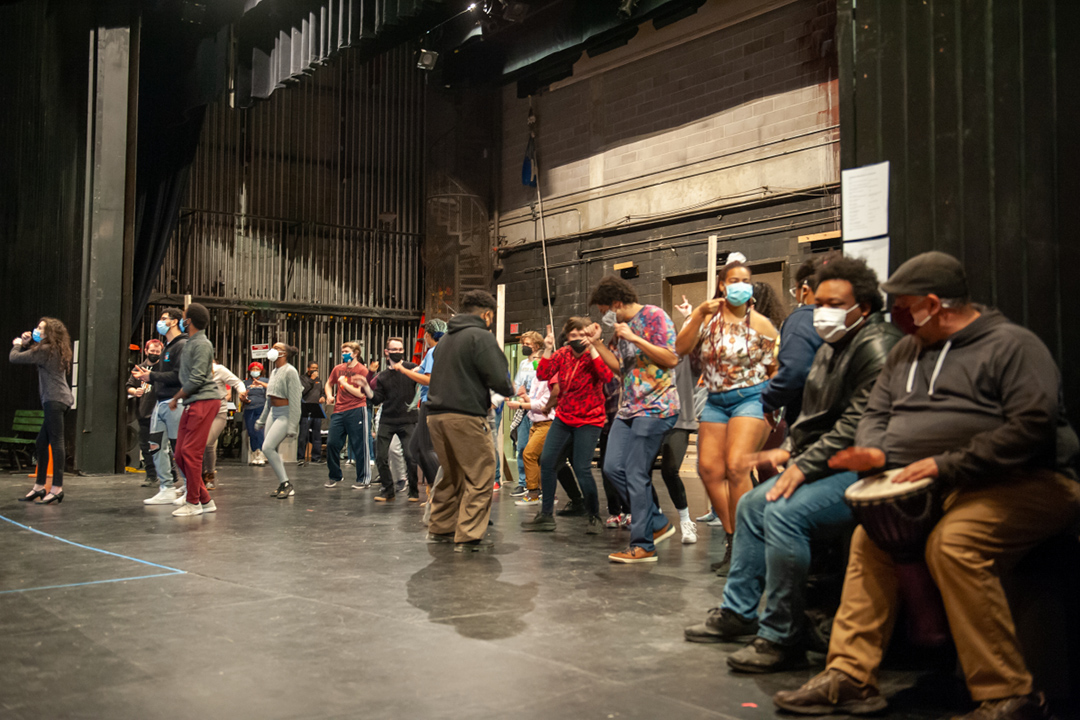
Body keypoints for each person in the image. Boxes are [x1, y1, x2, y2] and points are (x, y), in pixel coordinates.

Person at [773, 251, 1080, 720]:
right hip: (935, 484)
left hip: (1026, 481)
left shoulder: (1012, 346)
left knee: (954, 543)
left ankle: (1006, 694)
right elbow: (875, 415)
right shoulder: (906, 351)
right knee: (868, 539)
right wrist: (878, 454)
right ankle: (851, 677)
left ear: (934, 304)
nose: (894, 315)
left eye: (903, 305)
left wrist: (944, 464)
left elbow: (1031, 428)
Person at [684, 256, 901, 673]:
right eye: (818, 302)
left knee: (782, 512)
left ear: (866, 307)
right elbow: (819, 418)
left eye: (834, 303)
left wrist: (799, 463)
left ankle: (782, 636)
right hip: (830, 462)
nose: (822, 312)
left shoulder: (877, 346)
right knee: (751, 505)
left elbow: (859, 425)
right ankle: (740, 612)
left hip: (866, 469)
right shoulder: (834, 347)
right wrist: (789, 451)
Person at [675, 259, 779, 574]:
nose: (739, 285)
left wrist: (772, 408)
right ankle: (733, 536)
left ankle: (745, 547)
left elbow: (776, 369)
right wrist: (697, 314)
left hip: (751, 398)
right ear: (722, 285)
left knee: (736, 467)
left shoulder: (761, 324)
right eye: (733, 280)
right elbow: (680, 348)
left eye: (745, 280)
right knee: (708, 469)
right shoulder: (706, 320)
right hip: (716, 401)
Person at [589, 276, 681, 563]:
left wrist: (636, 338)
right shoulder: (618, 331)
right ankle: (657, 522)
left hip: (656, 406)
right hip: (628, 409)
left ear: (617, 304)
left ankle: (643, 545)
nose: (604, 316)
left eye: (605, 309)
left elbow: (671, 358)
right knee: (612, 468)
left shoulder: (654, 316)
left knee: (635, 472)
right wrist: (597, 344)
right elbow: (620, 368)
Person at [425, 290, 516, 551]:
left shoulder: (444, 341)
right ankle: (468, 536)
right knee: (480, 473)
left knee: (451, 475)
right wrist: (509, 389)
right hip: (464, 416)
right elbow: (499, 378)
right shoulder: (481, 336)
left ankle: (440, 528)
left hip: (436, 417)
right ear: (487, 314)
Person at [521, 317, 614, 535]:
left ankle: (593, 515)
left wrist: (592, 348)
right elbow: (543, 374)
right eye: (573, 335)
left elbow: (606, 376)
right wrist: (547, 348)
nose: (577, 339)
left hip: (589, 420)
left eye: (582, 335)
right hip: (564, 417)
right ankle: (545, 516)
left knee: (582, 469)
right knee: (547, 461)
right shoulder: (562, 354)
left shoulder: (595, 356)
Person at [10, 317, 74, 504]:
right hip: (59, 399)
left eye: (41, 328)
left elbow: (15, 358)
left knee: (56, 442)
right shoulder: (53, 349)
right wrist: (28, 343)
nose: (36, 330)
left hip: (54, 400)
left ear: (49, 334)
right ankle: (39, 487)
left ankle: (57, 488)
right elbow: (34, 353)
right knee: (41, 442)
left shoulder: (46, 351)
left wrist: (18, 344)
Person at [760, 256, 828, 428]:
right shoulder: (849, 316)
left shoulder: (801, 319)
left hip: (808, 419)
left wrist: (768, 401)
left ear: (804, 290)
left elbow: (794, 370)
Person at [168, 302, 220, 517]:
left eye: (183, 316)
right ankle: (205, 499)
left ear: (189, 321)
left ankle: (193, 502)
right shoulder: (191, 342)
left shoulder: (202, 344)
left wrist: (177, 396)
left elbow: (198, 377)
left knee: (191, 452)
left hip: (203, 400)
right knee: (180, 454)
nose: (182, 319)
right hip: (193, 401)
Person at [134, 308, 188, 506]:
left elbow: (178, 375)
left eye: (164, 319)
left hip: (176, 403)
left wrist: (151, 376)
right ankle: (166, 487)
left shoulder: (181, 345)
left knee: (178, 448)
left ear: (174, 322)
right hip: (161, 403)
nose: (161, 322)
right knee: (155, 445)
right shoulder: (167, 346)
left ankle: (190, 488)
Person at [371, 337, 420, 502]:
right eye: (394, 350)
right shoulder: (382, 376)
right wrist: (366, 389)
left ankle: (413, 491)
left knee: (410, 456)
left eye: (400, 350)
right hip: (388, 420)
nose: (398, 352)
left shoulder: (412, 369)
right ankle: (388, 490)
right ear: (387, 352)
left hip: (408, 420)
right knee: (381, 456)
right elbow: (377, 399)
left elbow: (424, 380)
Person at [505, 350, 557, 507]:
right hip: (535, 422)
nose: (535, 362)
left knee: (528, 454)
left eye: (538, 359)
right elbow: (535, 400)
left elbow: (543, 405)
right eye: (534, 359)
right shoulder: (537, 378)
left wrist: (520, 404)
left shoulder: (551, 379)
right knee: (539, 459)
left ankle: (533, 492)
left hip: (547, 423)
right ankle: (544, 493)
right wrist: (525, 397)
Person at [255, 342, 302, 499]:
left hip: (285, 413)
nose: (272, 351)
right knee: (269, 449)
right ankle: (283, 483)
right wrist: (262, 419)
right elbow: (269, 399)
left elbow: (295, 400)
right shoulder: (274, 371)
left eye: (277, 349)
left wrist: (292, 426)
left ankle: (286, 483)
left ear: (285, 354)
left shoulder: (290, 372)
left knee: (267, 447)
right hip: (273, 412)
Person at [405, 318, 446, 494]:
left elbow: (429, 379)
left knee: (423, 448)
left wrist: (403, 370)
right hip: (438, 403)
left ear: (427, 335)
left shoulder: (432, 352)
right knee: (416, 448)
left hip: (431, 403)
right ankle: (435, 487)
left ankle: (442, 489)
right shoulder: (444, 350)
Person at [323, 341, 371, 489]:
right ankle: (335, 476)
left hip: (357, 409)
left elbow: (360, 393)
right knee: (332, 443)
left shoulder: (363, 370)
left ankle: (363, 479)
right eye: (342, 351)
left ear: (355, 353)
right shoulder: (338, 369)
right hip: (339, 410)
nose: (343, 353)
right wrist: (329, 395)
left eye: (346, 351)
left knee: (359, 445)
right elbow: (329, 383)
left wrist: (345, 383)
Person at [509, 331, 544, 496]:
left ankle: (539, 484)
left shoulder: (542, 362)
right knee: (522, 447)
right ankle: (523, 483)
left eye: (528, 344)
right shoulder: (523, 364)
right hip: (524, 409)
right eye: (523, 344)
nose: (525, 347)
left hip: (537, 409)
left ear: (537, 345)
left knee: (536, 450)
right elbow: (517, 384)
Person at [201, 358, 245, 490]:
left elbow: (237, 382)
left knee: (208, 443)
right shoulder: (194, 369)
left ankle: (209, 476)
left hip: (218, 412)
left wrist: (242, 392)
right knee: (201, 446)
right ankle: (197, 478)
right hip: (200, 412)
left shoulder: (218, 369)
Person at [127, 339, 165, 488]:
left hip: (160, 412)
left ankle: (170, 474)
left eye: (157, 352)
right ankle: (151, 475)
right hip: (143, 412)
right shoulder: (140, 368)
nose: (154, 354)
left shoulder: (163, 368)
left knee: (162, 446)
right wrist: (134, 391)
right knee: (145, 446)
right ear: (146, 351)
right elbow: (129, 385)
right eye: (152, 351)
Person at [297, 362, 325, 464]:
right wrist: (312, 380)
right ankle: (300, 457)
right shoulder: (302, 379)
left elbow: (322, 392)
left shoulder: (319, 380)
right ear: (308, 368)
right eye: (312, 368)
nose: (314, 370)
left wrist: (323, 397)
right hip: (305, 407)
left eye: (316, 368)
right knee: (303, 434)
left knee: (316, 434)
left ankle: (316, 457)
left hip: (316, 407)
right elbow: (302, 391)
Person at [241, 362, 267, 465]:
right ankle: (254, 453)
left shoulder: (265, 381)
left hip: (261, 408)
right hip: (249, 409)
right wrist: (244, 399)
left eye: (257, 369)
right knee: (251, 432)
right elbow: (241, 395)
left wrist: (260, 383)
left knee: (259, 431)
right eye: (253, 369)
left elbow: (271, 388)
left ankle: (261, 453)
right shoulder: (246, 383)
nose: (255, 371)